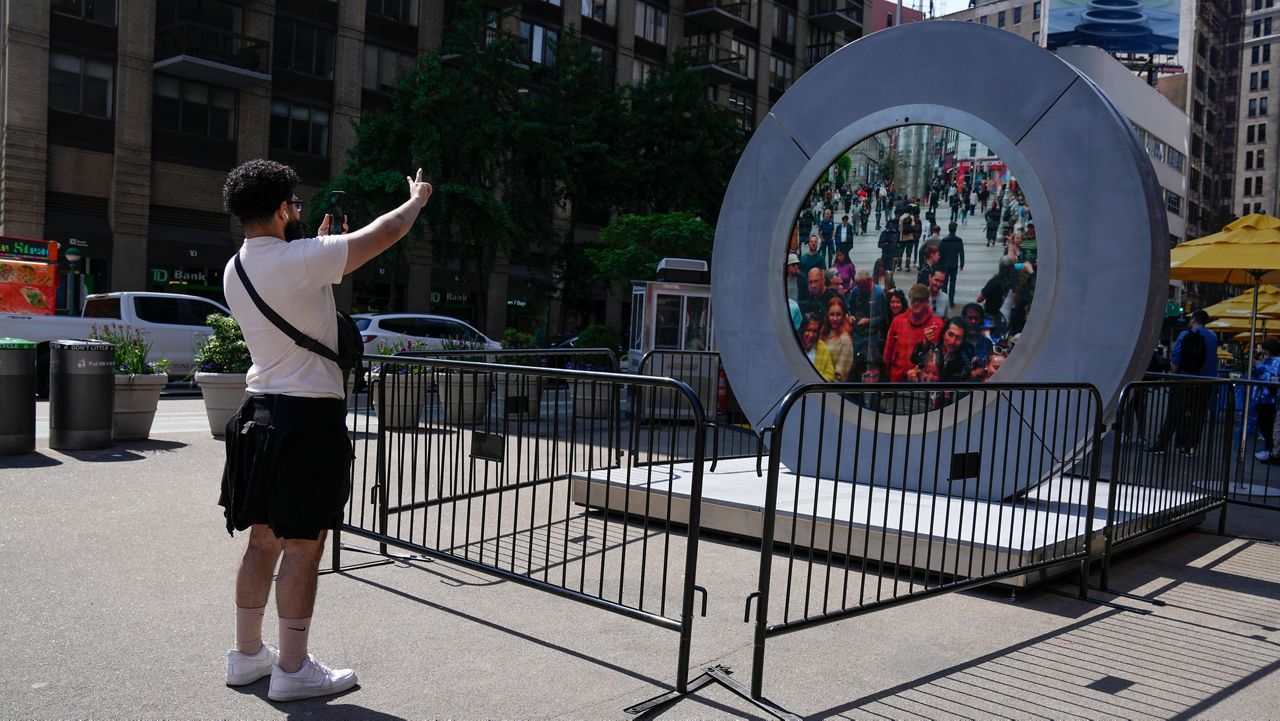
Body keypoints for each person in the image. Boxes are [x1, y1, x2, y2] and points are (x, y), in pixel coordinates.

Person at [219, 160, 433, 701]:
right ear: (280, 209)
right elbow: (383, 234)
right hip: (306, 420)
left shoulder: (236, 268)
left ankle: (247, 657)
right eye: (293, 202)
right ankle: (293, 670)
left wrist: (313, 247)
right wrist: (416, 201)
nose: (298, 209)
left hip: (258, 413)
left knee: (262, 539)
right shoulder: (300, 261)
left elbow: (294, 286)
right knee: (303, 547)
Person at [1150, 309, 1219, 456]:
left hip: (1184, 380)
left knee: (1174, 413)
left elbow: (1176, 358)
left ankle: (1161, 444)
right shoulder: (1213, 336)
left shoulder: (1185, 334)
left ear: (1194, 319)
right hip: (1206, 382)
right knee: (1198, 415)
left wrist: (1173, 376)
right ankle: (1190, 447)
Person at [883, 284, 943, 382]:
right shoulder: (898, 320)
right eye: (913, 300)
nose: (916, 303)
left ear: (927, 302)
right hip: (897, 378)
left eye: (920, 301)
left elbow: (938, 357)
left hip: (920, 381)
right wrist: (886, 376)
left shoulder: (936, 324)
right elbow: (888, 352)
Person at [847, 269, 885, 377]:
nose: (860, 288)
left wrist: (869, 321)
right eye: (858, 285)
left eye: (862, 285)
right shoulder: (855, 291)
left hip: (872, 334)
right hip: (857, 333)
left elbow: (883, 317)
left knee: (871, 363)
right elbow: (850, 308)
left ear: (869, 281)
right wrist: (850, 316)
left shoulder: (878, 293)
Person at [822, 296, 856, 381]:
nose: (835, 318)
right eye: (832, 314)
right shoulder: (824, 333)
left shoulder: (845, 340)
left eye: (838, 314)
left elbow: (840, 375)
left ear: (843, 315)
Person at [799, 313, 836, 381]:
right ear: (803, 330)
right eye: (808, 330)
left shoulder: (823, 348)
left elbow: (830, 374)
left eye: (814, 331)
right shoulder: (795, 345)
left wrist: (815, 381)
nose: (811, 335)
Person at [938, 221, 966, 302]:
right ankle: (951, 299)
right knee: (953, 283)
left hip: (945, 265)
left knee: (944, 283)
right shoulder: (959, 240)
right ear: (955, 229)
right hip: (954, 264)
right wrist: (962, 264)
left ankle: (944, 299)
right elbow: (961, 252)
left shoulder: (944, 240)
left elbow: (940, 253)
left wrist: (939, 265)